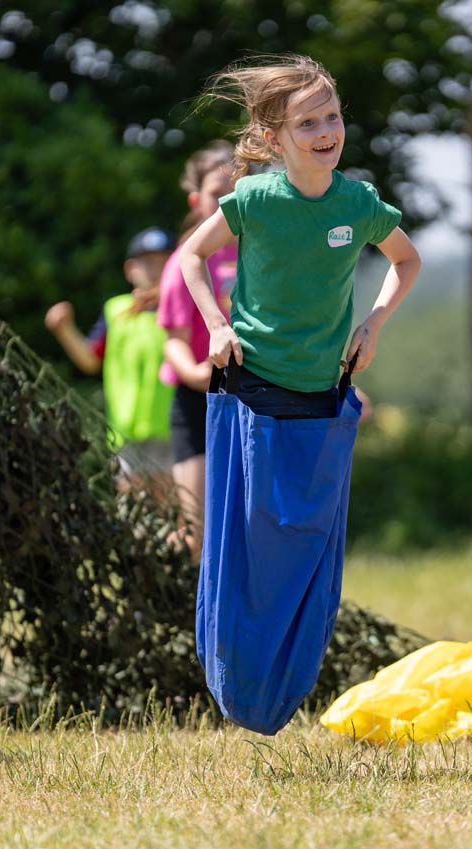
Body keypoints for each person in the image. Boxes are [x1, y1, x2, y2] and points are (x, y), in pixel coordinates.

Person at [179, 54, 421, 733]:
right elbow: (190, 258)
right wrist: (217, 326)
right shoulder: (254, 200)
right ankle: (235, 680)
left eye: (332, 117)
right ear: (272, 138)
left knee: (303, 548)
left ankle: (278, 687)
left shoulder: (356, 203)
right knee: (249, 547)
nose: (324, 131)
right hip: (251, 392)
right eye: (306, 122)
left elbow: (406, 261)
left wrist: (373, 322)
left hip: (320, 400)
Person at [157, 141, 237, 558]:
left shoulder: (261, 250)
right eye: (216, 194)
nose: (227, 203)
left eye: (237, 190)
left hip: (251, 398)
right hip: (195, 400)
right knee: (196, 529)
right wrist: (197, 374)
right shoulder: (183, 260)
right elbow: (173, 341)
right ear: (196, 200)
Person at [45, 227, 176, 480]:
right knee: (133, 507)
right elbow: (90, 360)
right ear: (130, 269)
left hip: (173, 430)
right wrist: (65, 330)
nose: (155, 269)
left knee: (176, 509)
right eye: (147, 262)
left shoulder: (183, 310)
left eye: (164, 261)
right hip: (126, 433)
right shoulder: (116, 311)